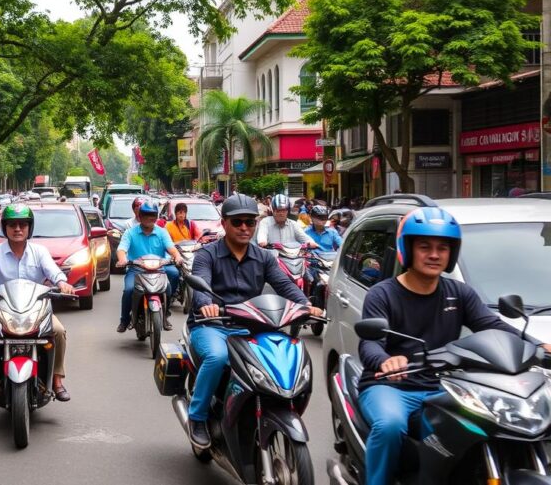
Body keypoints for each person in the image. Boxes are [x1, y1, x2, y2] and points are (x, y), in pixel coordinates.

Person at [356, 207, 551, 485]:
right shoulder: (383, 294)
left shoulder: (459, 293)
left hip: (444, 386)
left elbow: (494, 326)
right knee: (389, 426)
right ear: (407, 249)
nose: (434, 254)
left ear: (451, 254)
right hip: (391, 387)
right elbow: (371, 343)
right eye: (425, 246)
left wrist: (537, 345)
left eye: (442, 248)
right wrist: (387, 361)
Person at [186, 194, 323, 446]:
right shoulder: (207, 255)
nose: (244, 228)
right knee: (217, 357)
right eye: (237, 222)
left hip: (252, 327)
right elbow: (201, 287)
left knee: (285, 354)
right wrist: (207, 306)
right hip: (213, 326)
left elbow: (285, 285)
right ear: (224, 223)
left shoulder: (264, 257)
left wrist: (306, 305)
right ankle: (197, 416)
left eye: (250, 222)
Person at [0, 204, 76, 401]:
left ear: (29, 228)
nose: (18, 229)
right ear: (5, 228)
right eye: (12, 225)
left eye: (23, 224)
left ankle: (57, 379)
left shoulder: (40, 251)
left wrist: (62, 282)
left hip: (36, 309)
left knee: (58, 331)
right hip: (3, 309)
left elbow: (53, 270)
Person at [115, 202, 182, 332]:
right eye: (146, 215)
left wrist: (177, 256)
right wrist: (122, 260)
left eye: (153, 215)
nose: (150, 218)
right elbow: (121, 249)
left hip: (159, 269)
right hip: (136, 270)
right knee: (128, 290)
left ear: (157, 216)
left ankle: (165, 314)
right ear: (139, 216)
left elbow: (171, 248)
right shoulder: (130, 233)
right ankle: (124, 320)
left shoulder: (162, 232)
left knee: (170, 282)